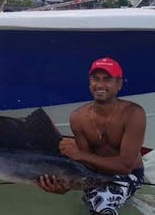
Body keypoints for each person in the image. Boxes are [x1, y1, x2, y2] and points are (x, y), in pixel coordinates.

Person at [36, 57, 146, 214]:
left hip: (129, 174)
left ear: (119, 84)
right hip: (95, 176)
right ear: (89, 83)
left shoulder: (134, 113)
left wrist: (79, 155)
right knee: (95, 202)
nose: (100, 84)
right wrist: (65, 185)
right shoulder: (77, 117)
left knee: (102, 207)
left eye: (107, 79)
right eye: (96, 79)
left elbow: (126, 165)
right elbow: (87, 167)